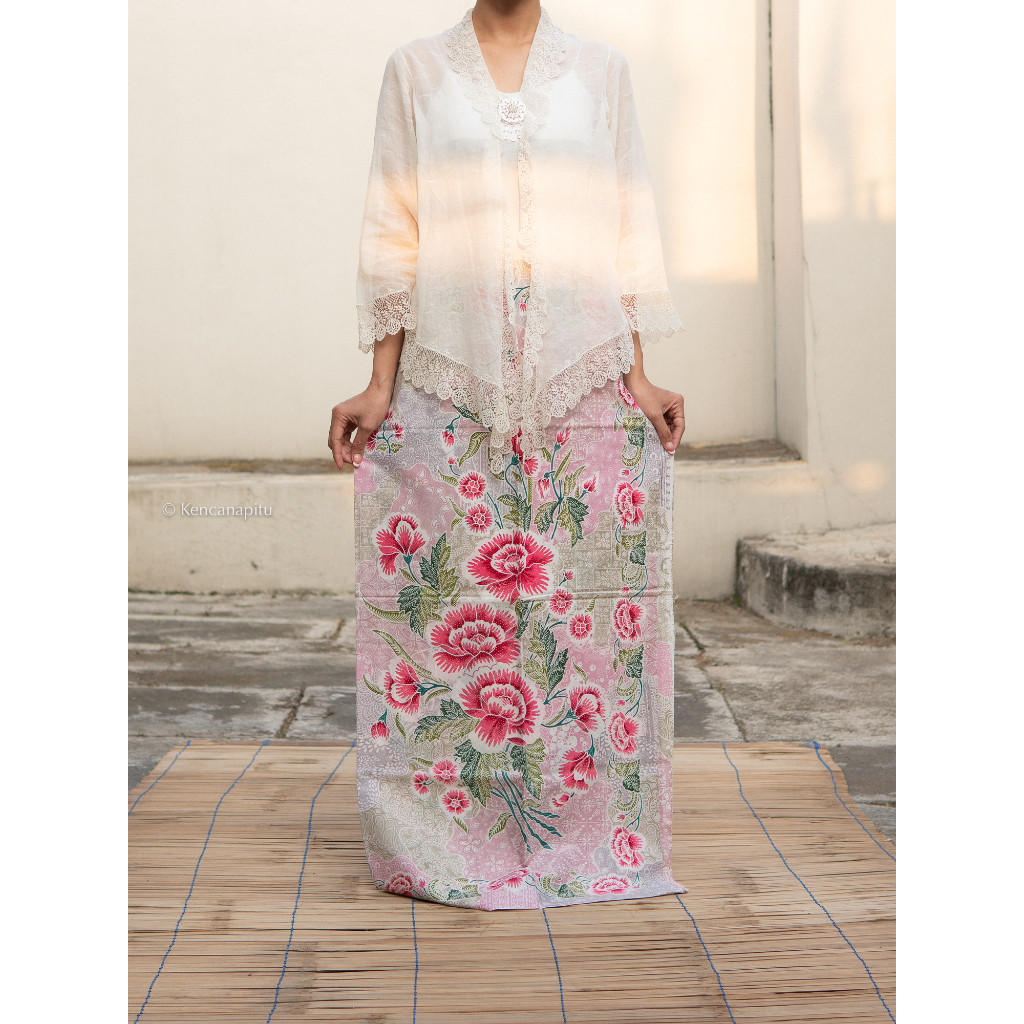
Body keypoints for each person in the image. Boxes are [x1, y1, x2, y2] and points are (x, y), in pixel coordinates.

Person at [329, 1, 688, 910]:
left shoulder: (601, 72)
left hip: (581, 377)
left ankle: (586, 832)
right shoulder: (416, 71)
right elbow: (393, 231)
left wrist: (640, 375)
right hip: (450, 378)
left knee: (580, 623)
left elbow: (628, 224)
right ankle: (452, 841)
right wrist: (379, 383)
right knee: (452, 609)